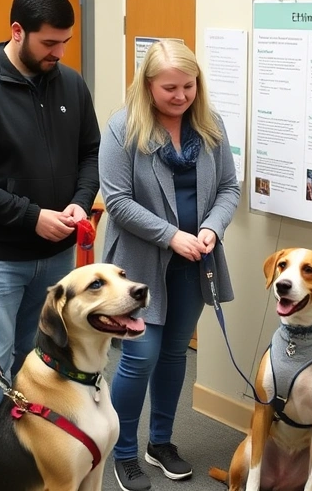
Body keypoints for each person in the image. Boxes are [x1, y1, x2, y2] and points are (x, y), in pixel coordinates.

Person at [0, 0, 100, 445]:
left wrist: (82, 196)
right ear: (17, 32)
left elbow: (90, 154)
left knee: (42, 366)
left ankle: (28, 459)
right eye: (48, 43)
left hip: (57, 259)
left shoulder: (72, 83)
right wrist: (31, 216)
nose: (58, 52)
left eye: (65, 42)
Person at [99, 39, 240, 490]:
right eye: (169, 88)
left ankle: (160, 442)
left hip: (193, 261)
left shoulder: (210, 126)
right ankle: (122, 452)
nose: (181, 96)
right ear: (147, 85)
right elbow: (117, 201)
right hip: (140, 263)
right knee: (140, 357)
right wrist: (171, 236)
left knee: (175, 352)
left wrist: (211, 229)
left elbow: (228, 189)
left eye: (188, 86)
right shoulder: (122, 129)